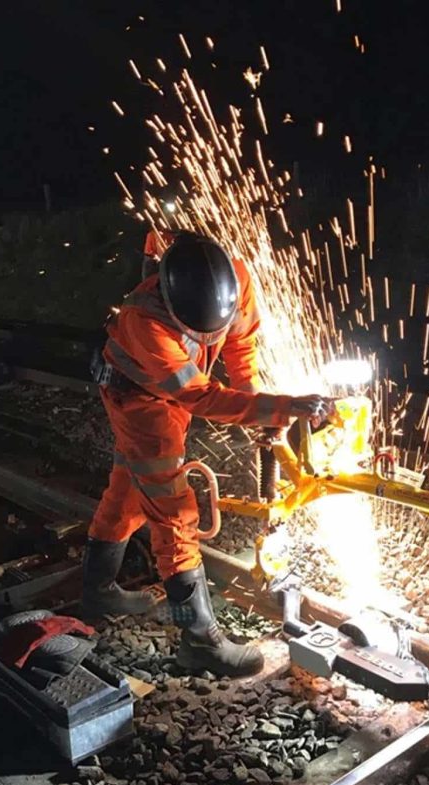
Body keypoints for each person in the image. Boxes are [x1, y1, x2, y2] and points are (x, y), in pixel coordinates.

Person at [84, 230, 335, 677]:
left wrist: (257, 403)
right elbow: (200, 397)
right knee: (175, 515)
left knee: (129, 487)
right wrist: (282, 406)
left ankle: (98, 588)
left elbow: (241, 346)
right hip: (139, 401)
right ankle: (199, 641)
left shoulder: (236, 280)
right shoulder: (147, 322)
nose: (213, 335)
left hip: (169, 396)